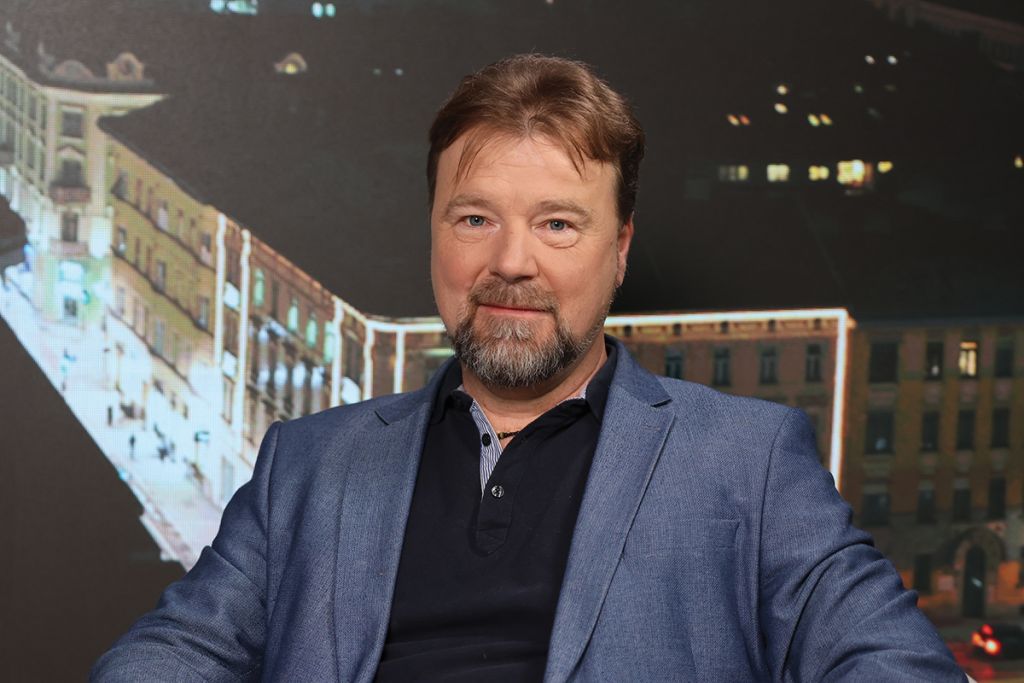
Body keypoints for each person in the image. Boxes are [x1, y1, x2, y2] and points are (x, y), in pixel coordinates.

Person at [92, 54, 966, 682]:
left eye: (557, 224)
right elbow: (170, 655)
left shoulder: (750, 459)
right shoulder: (310, 462)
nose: (511, 262)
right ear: (434, 235)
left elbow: (890, 660)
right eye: (474, 219)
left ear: (619, 251)